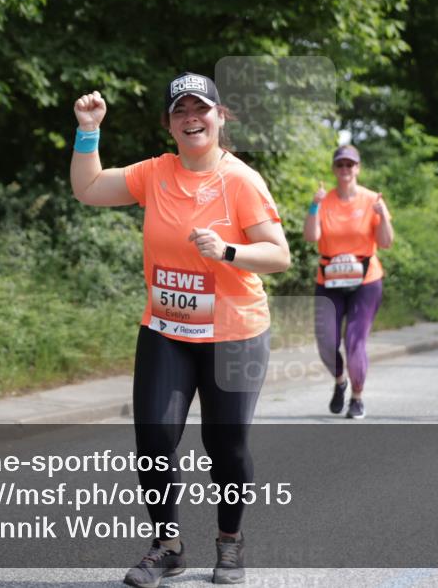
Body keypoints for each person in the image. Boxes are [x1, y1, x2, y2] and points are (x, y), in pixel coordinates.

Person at [70, 72, 290, 587]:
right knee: (153, 438)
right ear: (169, 123)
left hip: (234, 332)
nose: (192, 118)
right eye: (180, 111)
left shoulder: (241, 181)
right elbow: (87, 189)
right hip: (167, 329)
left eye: (201, 109)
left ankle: (230, 542)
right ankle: (167, 546)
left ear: (219, 116)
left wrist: (229, 251)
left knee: (226, 446)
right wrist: (88, 130)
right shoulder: (155, 173)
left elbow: (280, 255)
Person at [304, 145, 394, 420]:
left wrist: (384, 215)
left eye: (350, 165)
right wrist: (314, 205)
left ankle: (357, 397)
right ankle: (340, 380)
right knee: (326, 342)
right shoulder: (324, 200)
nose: (345, 170)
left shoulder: (372, 200)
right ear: (334, 169)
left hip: (365, 280)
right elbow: (311, 237)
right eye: (340, 165)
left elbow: (386, 242)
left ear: (358, 168)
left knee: (354, 341)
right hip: (329, 279)